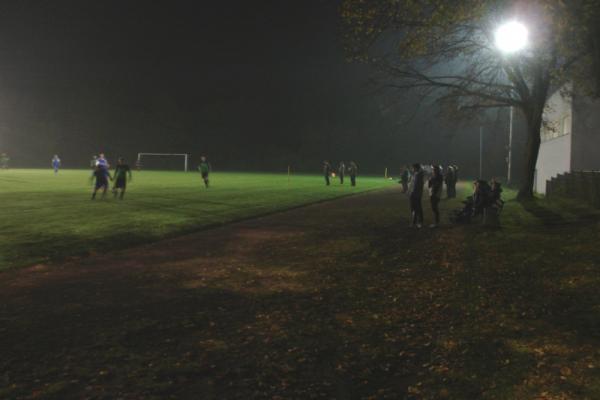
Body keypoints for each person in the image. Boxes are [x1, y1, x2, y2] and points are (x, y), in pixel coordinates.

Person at [408, 163, 424, 227]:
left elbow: (418, 185)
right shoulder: (415, 174)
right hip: (413, 193)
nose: (412, 169)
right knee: (413, 208)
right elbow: (412, 184)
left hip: (417, 194)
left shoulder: (419, 175)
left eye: (413, 168)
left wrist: (414, 192)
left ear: (416, 168)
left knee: (418, 208)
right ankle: (414, 221)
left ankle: (420, 222)